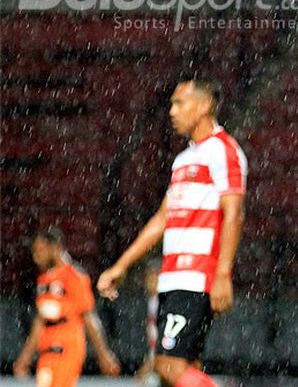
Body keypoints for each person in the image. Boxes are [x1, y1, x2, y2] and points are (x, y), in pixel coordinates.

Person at [97, 80, 248, 387]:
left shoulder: (223, 151)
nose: (172, 112)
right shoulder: (184, 160)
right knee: (179, 370)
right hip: (173, 277)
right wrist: (121, 265)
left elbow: (234, 214)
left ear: (204, 106)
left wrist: (223, 273)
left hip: (196, 276)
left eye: (179, 104)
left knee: (167, 366)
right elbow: (163, 218)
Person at [13, 227, 121, 387]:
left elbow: (88, 315)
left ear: (55, 248)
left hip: (66, 349)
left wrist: (104, 354)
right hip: (46, 350)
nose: (36, 256)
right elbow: (41, 320)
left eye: (40, 250)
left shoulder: (73, 276)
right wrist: (25, 357)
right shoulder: (44, 279)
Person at [137, 259, 161, 387]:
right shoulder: (152, 301)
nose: (148, 280)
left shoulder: (163, 302)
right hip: (158, 360)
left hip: (164, 360)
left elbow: (163, 338)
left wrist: (150, 363)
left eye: (153, 276)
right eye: (147, 276)